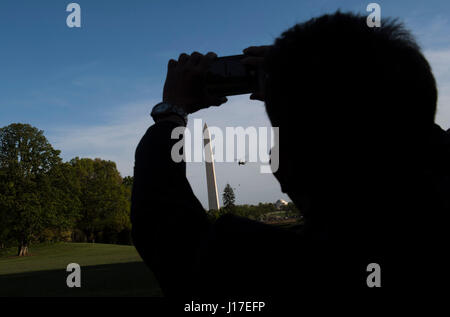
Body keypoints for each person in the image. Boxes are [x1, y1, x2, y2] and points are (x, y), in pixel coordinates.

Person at [131, 12, 449, 299]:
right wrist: (318, 72)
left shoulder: (283, 267)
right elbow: (412, 131)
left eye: (280, 136)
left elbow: (166, 227)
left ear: (291, 167)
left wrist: (171, 112)